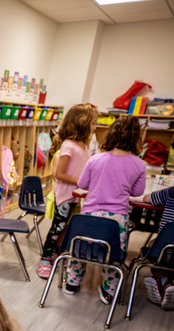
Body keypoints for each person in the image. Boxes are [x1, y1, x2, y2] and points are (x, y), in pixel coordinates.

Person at [64, 115, 147, 304]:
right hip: (116, 221)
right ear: (136, 139)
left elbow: (82, 184)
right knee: (113, 257)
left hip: (88, 217)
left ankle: (72, 282)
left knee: (80, 249)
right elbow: (137, 191)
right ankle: (109, 291)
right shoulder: (139, 164)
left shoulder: (96, 159)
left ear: (111, 135)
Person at [36, 103, 97, 279]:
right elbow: (59, 173)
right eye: (92, 123)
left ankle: (55, 253)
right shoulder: (69, 145)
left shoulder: (84, 146)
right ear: (81, 123)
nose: (95, 126)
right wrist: (82, 182)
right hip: (64, 195)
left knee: (66, 229)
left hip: (76, 196)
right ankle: (45, 258)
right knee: (57, 227)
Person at [140, 186, 174, 308]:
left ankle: (162, 280)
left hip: (164, 252)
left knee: (154, 244)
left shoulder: (171, 192)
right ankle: (167, 285)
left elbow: (146, 199)